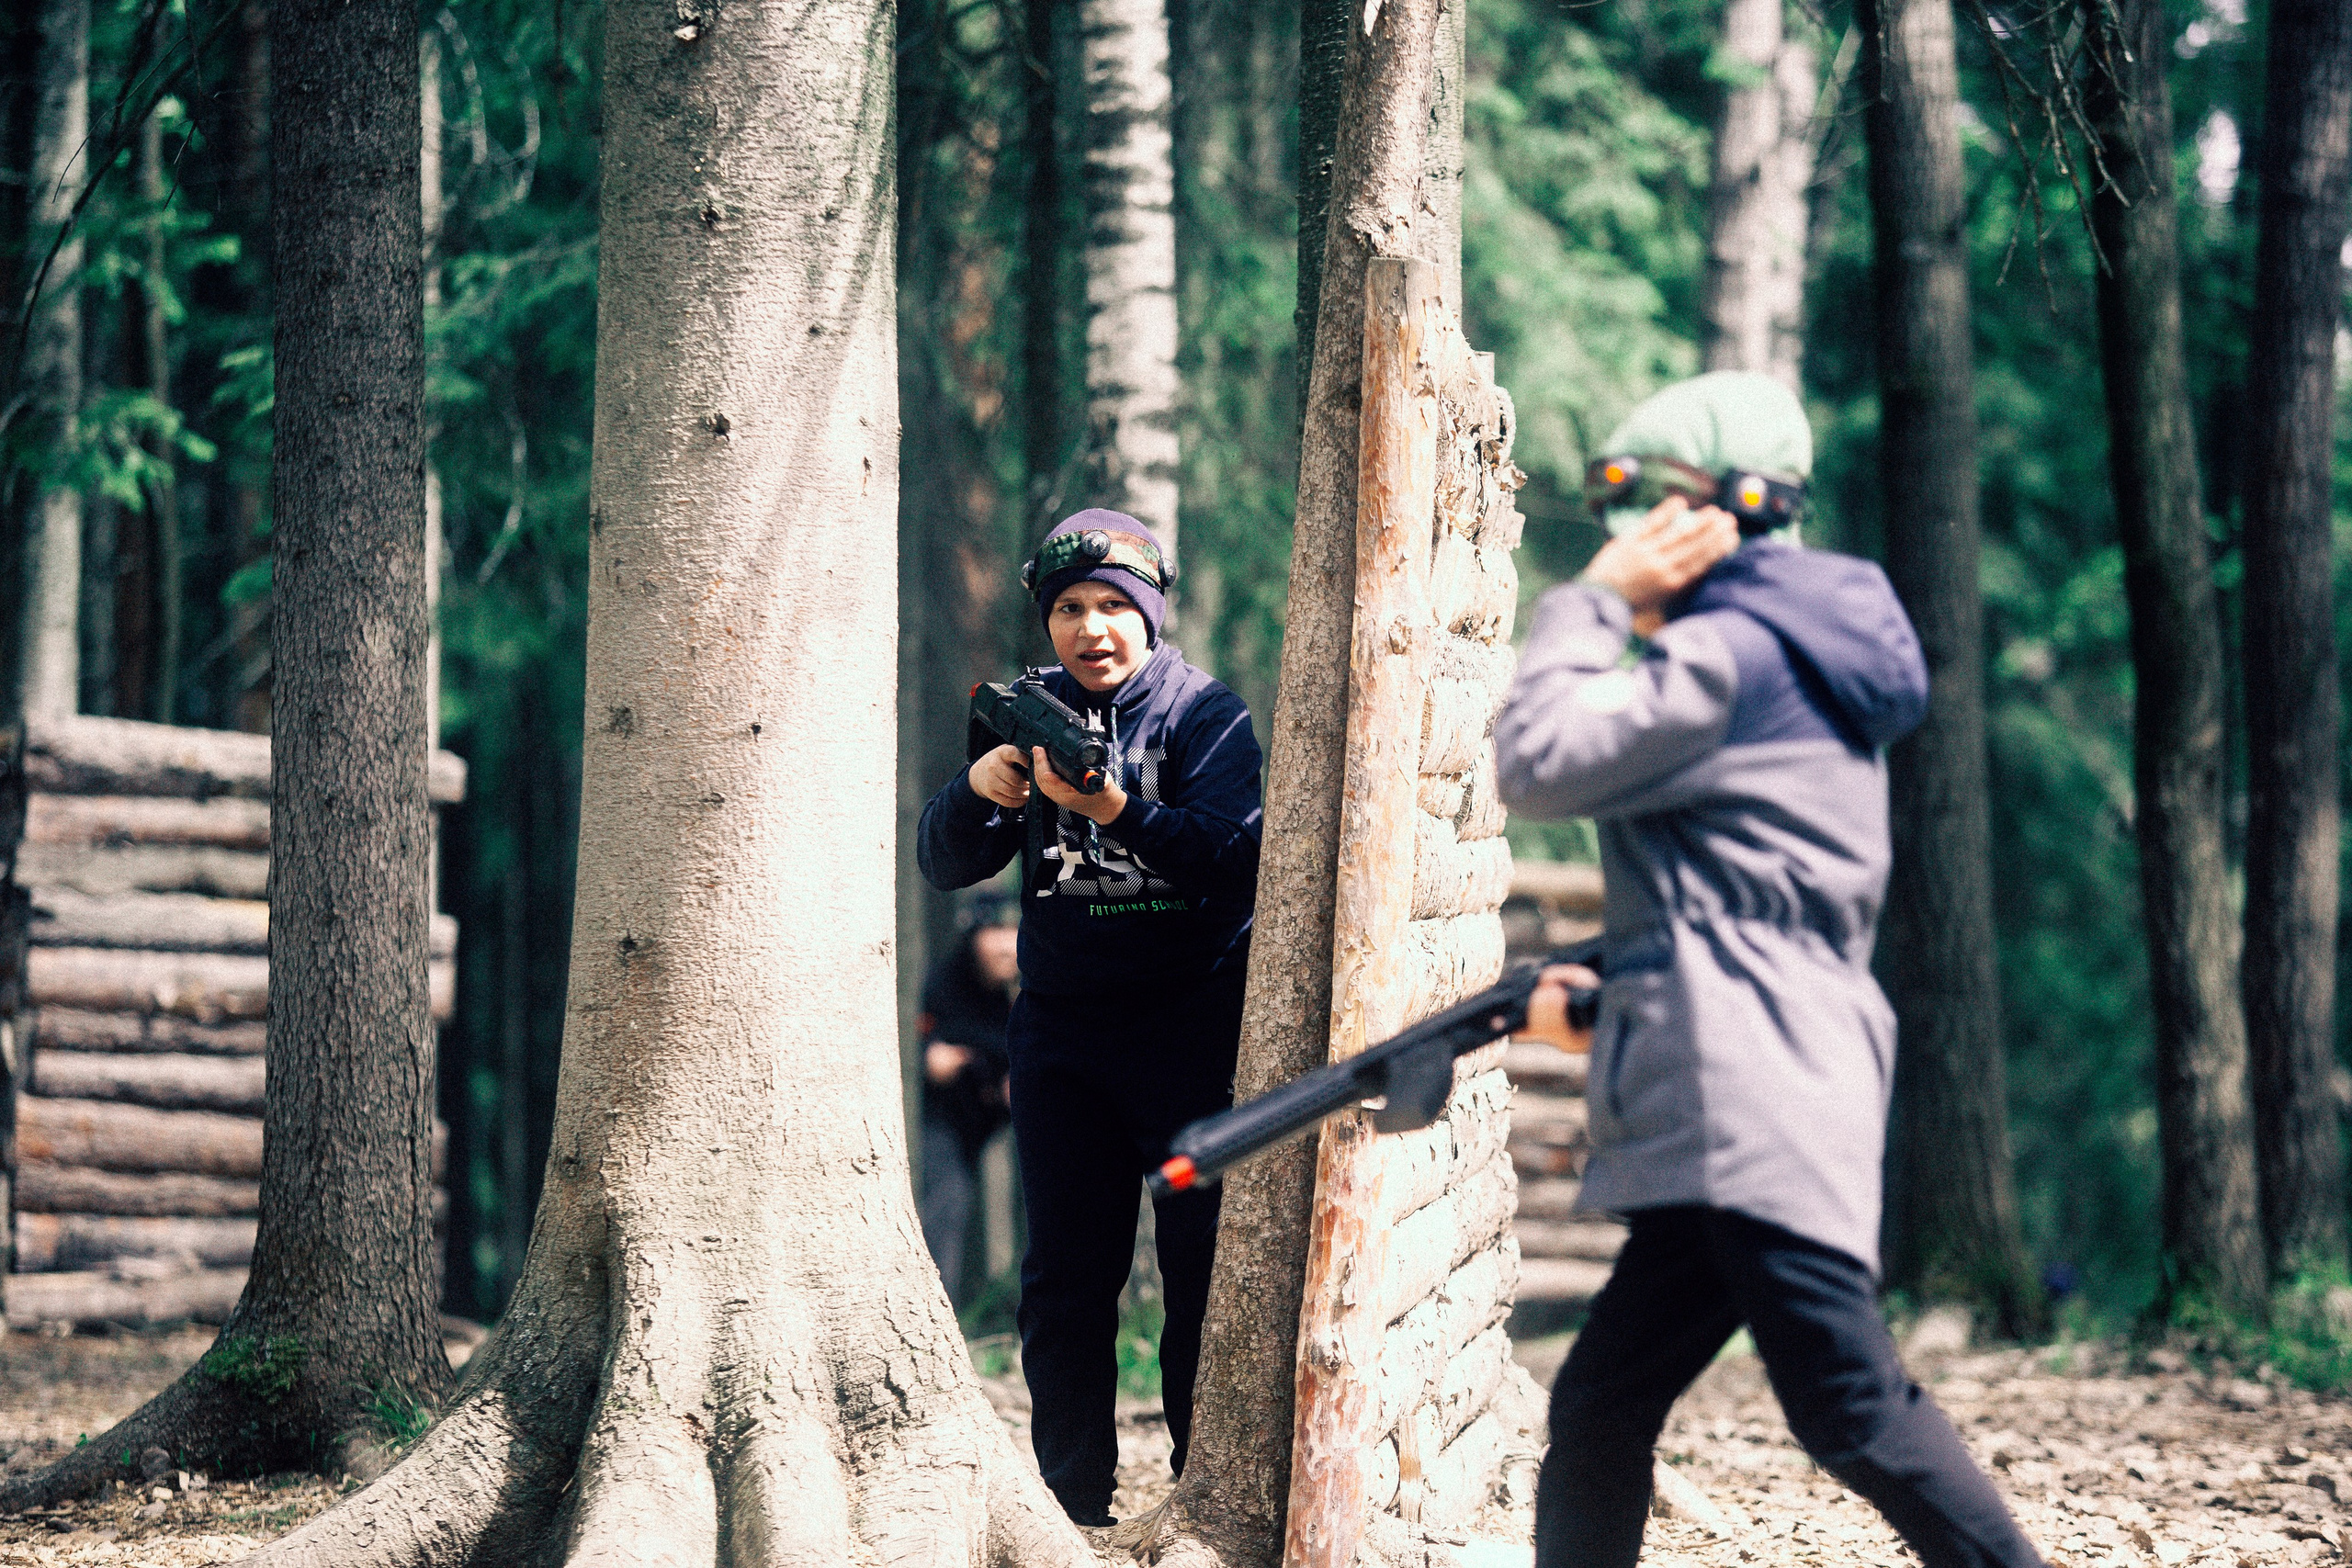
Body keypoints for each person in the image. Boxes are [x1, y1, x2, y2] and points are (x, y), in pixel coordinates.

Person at [1497, 372, 2047, 1568]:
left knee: (1852, 1406)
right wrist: (1617, 988)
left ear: (1710, 510)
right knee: (1600, 1401)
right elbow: (1745, 887)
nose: (1622, 536)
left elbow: (1536, 756)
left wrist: (1591, 603)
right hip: (1747, 1080)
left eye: (1637, 505)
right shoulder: (1790, 650)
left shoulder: (1735, 655)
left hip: (1755, 1096)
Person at [916, 510, 1263, 1527]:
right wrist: (981, 788)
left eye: (1115, 606)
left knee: (1202, 1266)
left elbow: (1235, 864)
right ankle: (1071, 1505)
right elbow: (946, 864)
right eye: (1069, 609)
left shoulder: (1207, 717)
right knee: (1064, 1277)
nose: (1092, 628)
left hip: (1191, 1030)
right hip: (1062, 1035)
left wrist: (1117, 812)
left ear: (1150, 616)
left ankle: (1206, 1496)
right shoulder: (1027, 710)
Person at [915, 897, 1019, 1303]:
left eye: (1014, 933)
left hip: (988, 1115)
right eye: (996, 933)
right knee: (947, 1208)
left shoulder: (1020, 988)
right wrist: (937, 1055)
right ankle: (936, 1310)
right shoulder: (943, 983)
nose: (1007, 945)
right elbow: (930, 1053)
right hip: (945, 1120)